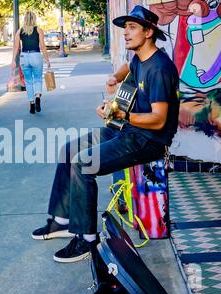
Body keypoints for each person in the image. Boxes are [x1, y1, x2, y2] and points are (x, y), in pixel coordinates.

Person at [31, 5, 180, 263]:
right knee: (69, 150)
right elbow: (128, 67)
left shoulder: (160, 69)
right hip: (125, 130)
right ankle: (61, 220)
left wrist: (123, 116)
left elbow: (159, 120)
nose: (125, 32)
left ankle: (87, 239)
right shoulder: (140, 59)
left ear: (148, 32)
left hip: (147, 140)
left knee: (84, 163)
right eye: (125, 28)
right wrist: (114, 77)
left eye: (132, 27)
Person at [11, 11, 51, 114]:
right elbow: (42, 47)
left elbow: (16, 47)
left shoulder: (19, 31)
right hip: (36, 56)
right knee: (38, 79)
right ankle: (38, 96)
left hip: (24, 57)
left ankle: (32, 105)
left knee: (28, 81)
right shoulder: (38, 30)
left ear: (25, 19)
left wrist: (13, 61)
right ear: (34, 19)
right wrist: (47, 59)